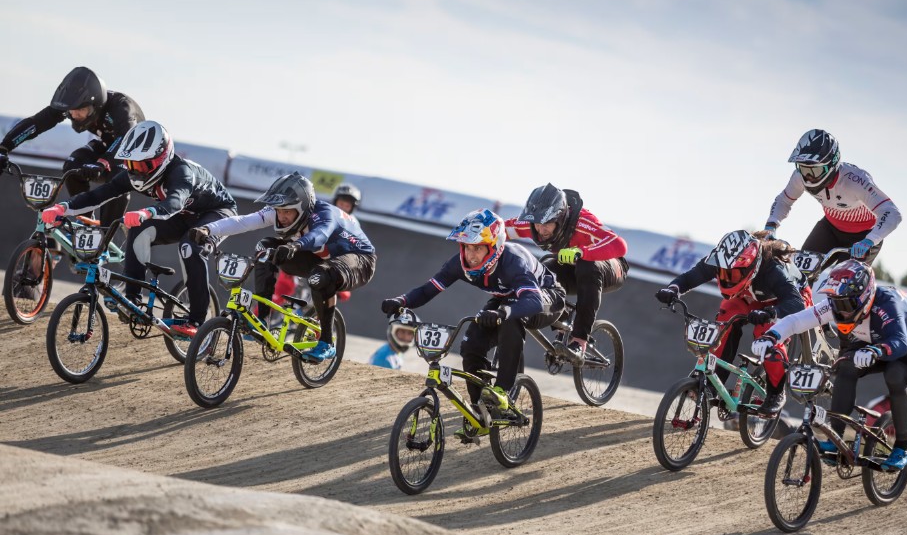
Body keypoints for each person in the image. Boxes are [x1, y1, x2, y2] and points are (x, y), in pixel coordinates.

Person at [381, 209, 565, 441]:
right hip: (505, 297)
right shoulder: (459, 264)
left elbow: (534, 300)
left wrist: (504, 312)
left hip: (546, 296)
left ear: (494, 247)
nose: (471, 255)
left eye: (478, 248)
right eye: (467, 247)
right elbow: (428, 289)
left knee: (511, 319)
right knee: (470, 345)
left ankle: (504, 392)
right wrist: (402, 301)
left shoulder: (512, 261)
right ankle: (479, 412)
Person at [41, 120, 236, 337]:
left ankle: (198, 321)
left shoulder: (181, 172)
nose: (136, 172)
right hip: (184, 216)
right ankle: (132, 299)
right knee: (138, 229)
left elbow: (174, 203)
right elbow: (99, 195)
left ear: (162, 158)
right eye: (131, 165)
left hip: (218, 213)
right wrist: (63, 207)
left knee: (190, 245)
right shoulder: (132, 174)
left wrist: (146, 212)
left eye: (142, 166)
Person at [751, 260, 907, 470]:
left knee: (895, 375)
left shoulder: (887, 304)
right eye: (836, 303)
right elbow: (796, 321)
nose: (842, 312)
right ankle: (836, 439)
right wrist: (771, 336)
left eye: (847, 305)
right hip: (872, 336)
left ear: (865, 296)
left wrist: (876, 351)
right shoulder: (837, 305)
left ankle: (902, 447)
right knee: (845, 368)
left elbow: (901, 343)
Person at [191, 172, 376, 362]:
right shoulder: (281, 211)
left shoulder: (324, 214)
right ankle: (262, 318)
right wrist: (209, 229)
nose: (282, 216)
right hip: (318, 255)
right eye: (279, 211)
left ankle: (327, 343)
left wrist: (294, 246)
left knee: (321, 275)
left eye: (287, 211)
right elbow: (244, 221)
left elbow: (320, 235)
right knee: (265, 248)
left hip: (359, 259)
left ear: (303, 207)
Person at [655, 229, 813, 416]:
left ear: (750, 266)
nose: (727, 278)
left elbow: (797, 304)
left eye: (734, 274)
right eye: (723, 273)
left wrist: (772, 312)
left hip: (787, 299)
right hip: (750, 295)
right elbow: (690, 277)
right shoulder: (720, 259)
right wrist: (673, 289)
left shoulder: (773, 269)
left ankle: (776, 392)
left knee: (766, 337)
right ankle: (713, 383)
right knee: (725, 320)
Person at [0, 66, 144, 226]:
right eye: (71, 111)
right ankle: (86, 220)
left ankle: (104, 234)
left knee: (116, 180)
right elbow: (37, 123)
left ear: (96, 105)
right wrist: (4, 148)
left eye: (81, 110)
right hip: (107, 146)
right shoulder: (75, 107)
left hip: (134, 154)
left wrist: (103, 162)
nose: (75, 116)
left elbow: (127, 138)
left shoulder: (121, 106)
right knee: (72, 165)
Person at [507, 183, 628, 363]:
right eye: (537, 224)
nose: (541, 230)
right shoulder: (533, 224)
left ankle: (579, 341)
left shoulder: (583, 222)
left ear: (560, 218)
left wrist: (582, 252)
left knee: (587, 266)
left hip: (611, 266)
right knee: (544, 269)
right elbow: (499, 230)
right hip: (573, 267)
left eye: (547, 224)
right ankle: (562, 323)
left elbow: (619, 246)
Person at [763, 129, 902, 264]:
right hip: (830, 228)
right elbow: (784, 200)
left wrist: (870, 239)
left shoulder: (855, 180)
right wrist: (771, 226)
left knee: (843, 281)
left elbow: (892, 212)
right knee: (799, 274)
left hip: (864, 236)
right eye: (803, 169)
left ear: (831, 165)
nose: (809, 178)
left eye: (815, 170)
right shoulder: (799, 177)